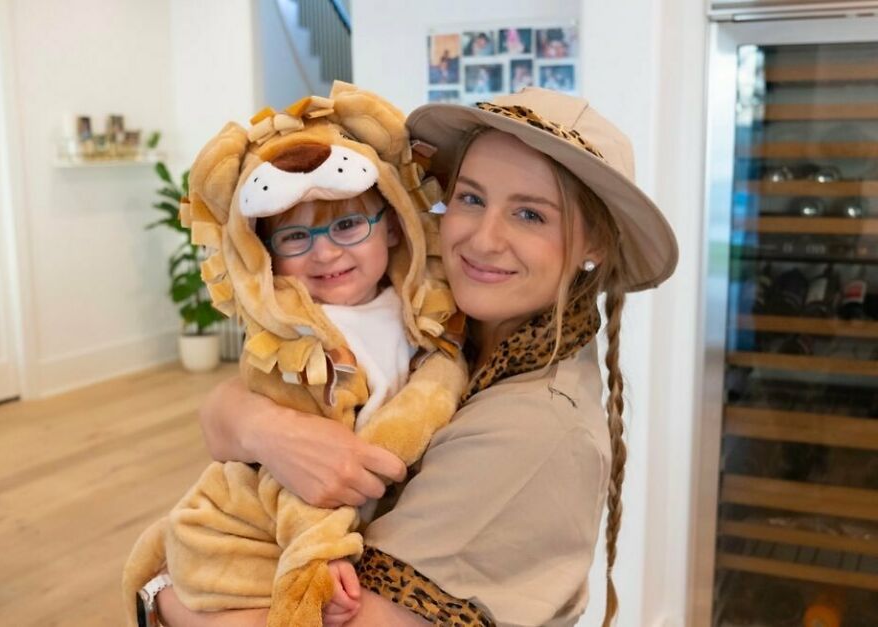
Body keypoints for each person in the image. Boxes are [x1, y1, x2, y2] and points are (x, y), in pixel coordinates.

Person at [154, 87, 677, 627]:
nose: (483, 239)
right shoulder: (438, 322)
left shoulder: (535, 427)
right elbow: (228, 408)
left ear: (594, 244)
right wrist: (264, 427)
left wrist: (162, 595)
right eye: (471, 199)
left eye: (529, 214)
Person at [126, 85, 468, 627]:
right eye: (294, 237)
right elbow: (294, 470)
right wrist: (319, 550)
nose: (326, 252)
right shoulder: (291, 343)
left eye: (348, 224)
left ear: (395, 224)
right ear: (267, 255)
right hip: (275, 520)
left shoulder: (419, 312)